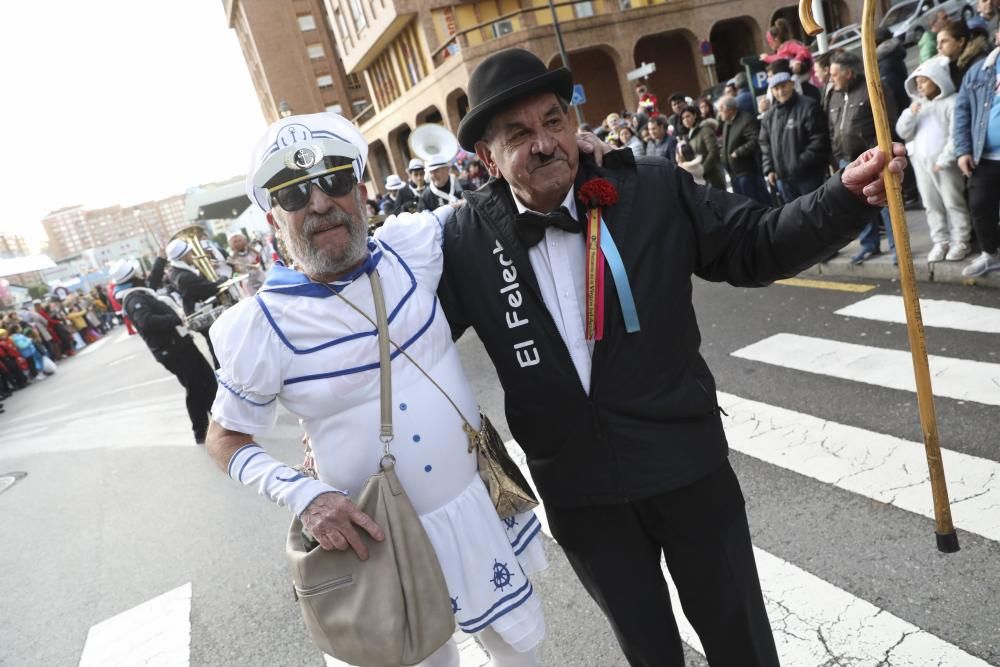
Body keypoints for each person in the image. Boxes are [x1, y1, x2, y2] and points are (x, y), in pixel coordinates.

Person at [444, 47, 906, 667]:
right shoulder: (463, 241)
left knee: (739, 640)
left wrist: (842, 199)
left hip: (686, 466)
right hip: (582, 497)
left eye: (554, 121)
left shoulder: (650, 190)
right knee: (650, 654)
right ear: (487, 157)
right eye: (519, 134)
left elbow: (755, 244)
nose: (545, 143)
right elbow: (406, 341)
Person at [205, 112, 551, 667]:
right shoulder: (259, 326)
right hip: (377, 544)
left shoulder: (414, 246)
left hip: (470, 510)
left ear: (362, 192)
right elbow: (224, 438)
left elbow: (508, 201)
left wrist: (571, 149)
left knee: (519, 654)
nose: (320, 203)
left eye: (336, 181)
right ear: (275, 219)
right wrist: (305, 496)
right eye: (294, 194)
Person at [111, 259, 216, 444]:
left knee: (206, 379)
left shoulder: (139, 293)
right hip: (173, 350)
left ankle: (218, 420)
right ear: (132, 277)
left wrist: (159, 261)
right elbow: (146, 321)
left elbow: (153, 281)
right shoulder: (134, 299)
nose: (141, 275)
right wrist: (174, 319)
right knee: (195, 388)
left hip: (180, 344)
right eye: (137, 274)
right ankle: (201, 431)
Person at [896, 56, 971, 263]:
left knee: (953, 202)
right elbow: (902, 131)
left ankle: (961, 240)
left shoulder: (952, 102)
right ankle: (940, 241)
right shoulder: (917, 106)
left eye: (924, 81)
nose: (920, 86)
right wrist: (910, 114)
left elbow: (956, 135)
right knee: (931, 204)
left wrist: (945, 159)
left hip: (943, 165)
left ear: (937, 80)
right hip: (921, 163)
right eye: (917, 83)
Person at [827, 50, 898, 265]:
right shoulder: (835, 95)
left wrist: (879, 153)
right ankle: (869, 245)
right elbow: (833, 128)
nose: (831, 79)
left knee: (886, 205)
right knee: (859, 205)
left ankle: (898, 250)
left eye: (834, 74)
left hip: (874, 159)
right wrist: (838, 155)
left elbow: (889, 120)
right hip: (847, 160)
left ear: (848, 73)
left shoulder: (872, 88)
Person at [954, 30, 1000, 277]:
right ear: (997, 36)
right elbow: (962, 112)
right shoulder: (979, 70)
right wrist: (963, 150)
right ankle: (989, 255)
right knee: (981, 207)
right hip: (985, 156)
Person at [759, 62, 831, 202]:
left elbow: (819, 139)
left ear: (792, 84)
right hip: (783, 180)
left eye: (784, 86)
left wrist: (798, 163)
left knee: (816, 215)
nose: (781, 91)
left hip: (808, 176)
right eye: (776, 88)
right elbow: (764, 143)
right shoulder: (769, 116)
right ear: (772, 91)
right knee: (795, 220)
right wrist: (769, 169)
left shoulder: (808, 106)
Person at [165, 238, 225, 368]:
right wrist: (222, 280)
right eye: (190, 253)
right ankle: (224, 376)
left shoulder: (178, 272)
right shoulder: (184, 276)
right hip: (202, 315)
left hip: (200, 312)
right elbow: (207, 289)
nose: (192, 255)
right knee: (217, 347)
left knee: (217, 345)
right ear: (183, 256)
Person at [718, 95, 770, 204]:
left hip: (747, 172)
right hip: (734, 173)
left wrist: (738, 152)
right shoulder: (727, 123)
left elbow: (755, 140)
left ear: (730, 109)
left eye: (721, 109)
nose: (719, 113)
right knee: (744, 205)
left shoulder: (746, 119)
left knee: (756, 203)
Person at [679, 106, 725, 189]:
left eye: (688, 116)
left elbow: (713, 151)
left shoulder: (705, 130)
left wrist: (702, 169)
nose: (685, 120)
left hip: (713, 175)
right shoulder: (689, 135)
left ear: (695, 115)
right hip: (701, 177)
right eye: (683, 118)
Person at [938, 20, 991, 89]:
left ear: (961, 41)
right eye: (938, 42)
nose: (938, 47)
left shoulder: (979, 63)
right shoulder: (949, 66)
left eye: (944, 41)